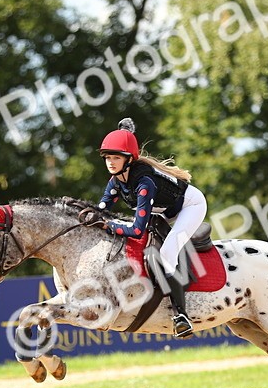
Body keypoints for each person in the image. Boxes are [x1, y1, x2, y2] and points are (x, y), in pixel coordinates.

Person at [85, 118, 207, 338]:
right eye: (108, 158)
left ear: (129, 159)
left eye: (116, 158)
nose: (111, 163)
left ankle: (181, 316)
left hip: (190, 206)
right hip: (162, 210)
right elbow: (101, 209)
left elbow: (137, 230)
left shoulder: (144, 183)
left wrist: (109, 224)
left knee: (168, 252)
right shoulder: (116, 181)